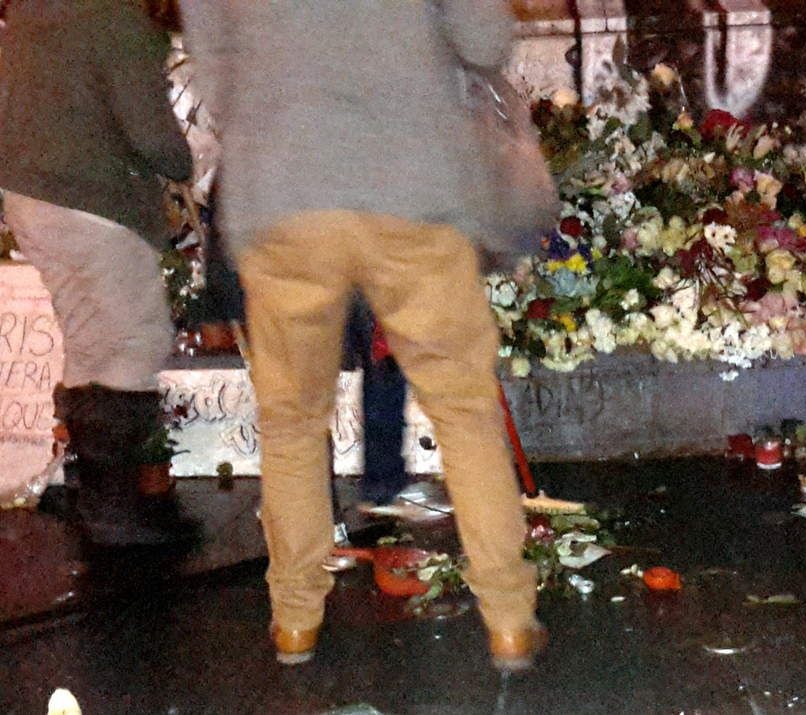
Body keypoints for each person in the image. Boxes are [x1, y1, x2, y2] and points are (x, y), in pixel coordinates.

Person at [180, 0, 542, 668]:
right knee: (463, 411)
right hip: (414, 184)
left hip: (284, 185)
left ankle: (296, 619)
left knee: (291, 422)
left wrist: (273, 111)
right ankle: (510, 618)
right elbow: (485, 38)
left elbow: (212, 58)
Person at [0, 0, 196, 546]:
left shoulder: (34, 12)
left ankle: (97, 501)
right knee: (136, 341)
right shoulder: (117, 19)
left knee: (88, 341)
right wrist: (182, 164)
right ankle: (115, 512)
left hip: (30, 196)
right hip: (96, 201)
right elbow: (149, 131)